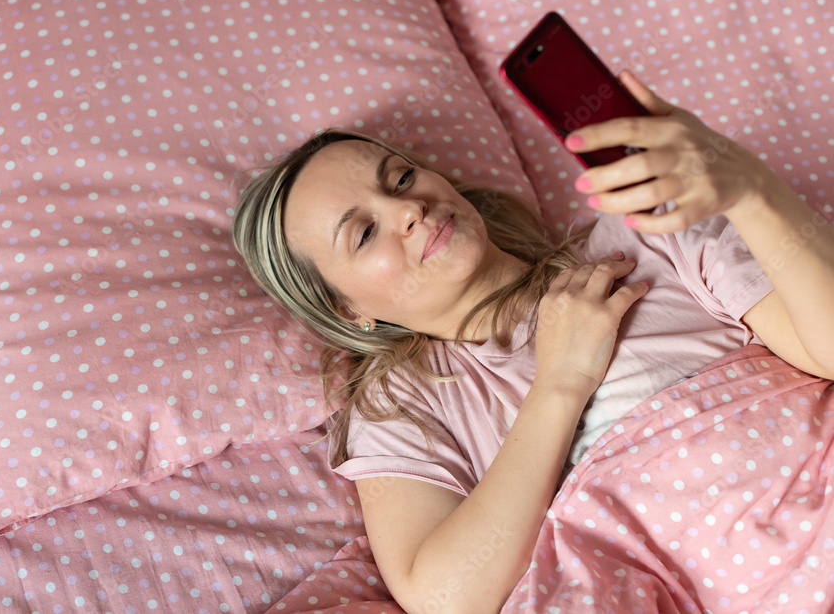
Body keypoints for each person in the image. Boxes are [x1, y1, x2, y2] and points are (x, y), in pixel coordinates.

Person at [230, 69, 834, 614]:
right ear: (347, 309)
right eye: (364, 233)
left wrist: (751, 190)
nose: (408, 208)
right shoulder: (400, 403)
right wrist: (560, 382)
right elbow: (446, 598)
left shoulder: (645, 233)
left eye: (402, 177)